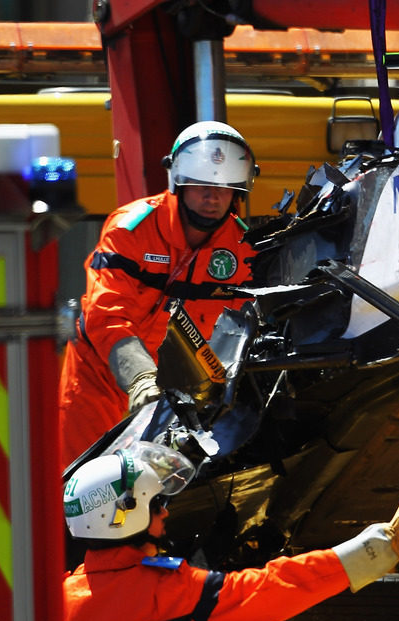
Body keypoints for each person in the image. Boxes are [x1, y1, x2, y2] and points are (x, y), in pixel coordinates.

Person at [62, 441, 399, 621]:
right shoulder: (172, 594)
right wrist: (384, 543)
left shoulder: (52, 603)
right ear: (123, 516)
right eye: (157, 504)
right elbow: (278, 585)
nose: (165, 512)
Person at [58, 121, 261, 468]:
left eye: (224, 188)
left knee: (152, 496)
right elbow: (106, 312)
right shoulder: (130, 229)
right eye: (200, 186)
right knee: (78, 480)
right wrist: (139, 378)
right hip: (97, 377)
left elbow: (242, 333)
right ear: (178, 183)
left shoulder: (244, 250)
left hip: (173, 393)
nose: (212, 198)